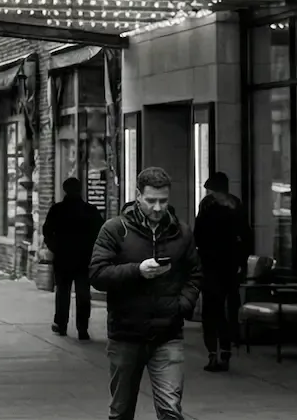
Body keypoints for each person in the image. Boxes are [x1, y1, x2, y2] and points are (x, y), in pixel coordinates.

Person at [89, 166, 199, 420]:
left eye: (163, 201)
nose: (158, 208)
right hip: (126, 334)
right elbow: (97, 274)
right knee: (121, 411)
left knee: (171, 410)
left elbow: (195, 273)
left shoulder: (181, 232)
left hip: (167, 333)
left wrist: (182, 305)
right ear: (138, 196)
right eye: (151, 201)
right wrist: (137, 270)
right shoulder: (116, 229)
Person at [192, 170, 251, 372]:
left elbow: (198, 234)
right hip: (229, 264)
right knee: (226, 309)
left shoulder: (207, 206)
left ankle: (214, 353)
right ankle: (224, 350)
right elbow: (246, 235)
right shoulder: (236, 205)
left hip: (212, 263)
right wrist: (242, 261)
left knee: (212, 310)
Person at [43, 176, 106, 340]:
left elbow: (47, 231)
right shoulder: (90, 210)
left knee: (62, 292)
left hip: (63, 257)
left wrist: (54, 247)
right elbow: (100, 233)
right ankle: (82, 328)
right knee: (83, 294)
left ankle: (61, 324)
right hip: (84, 257)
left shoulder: (57, 210)